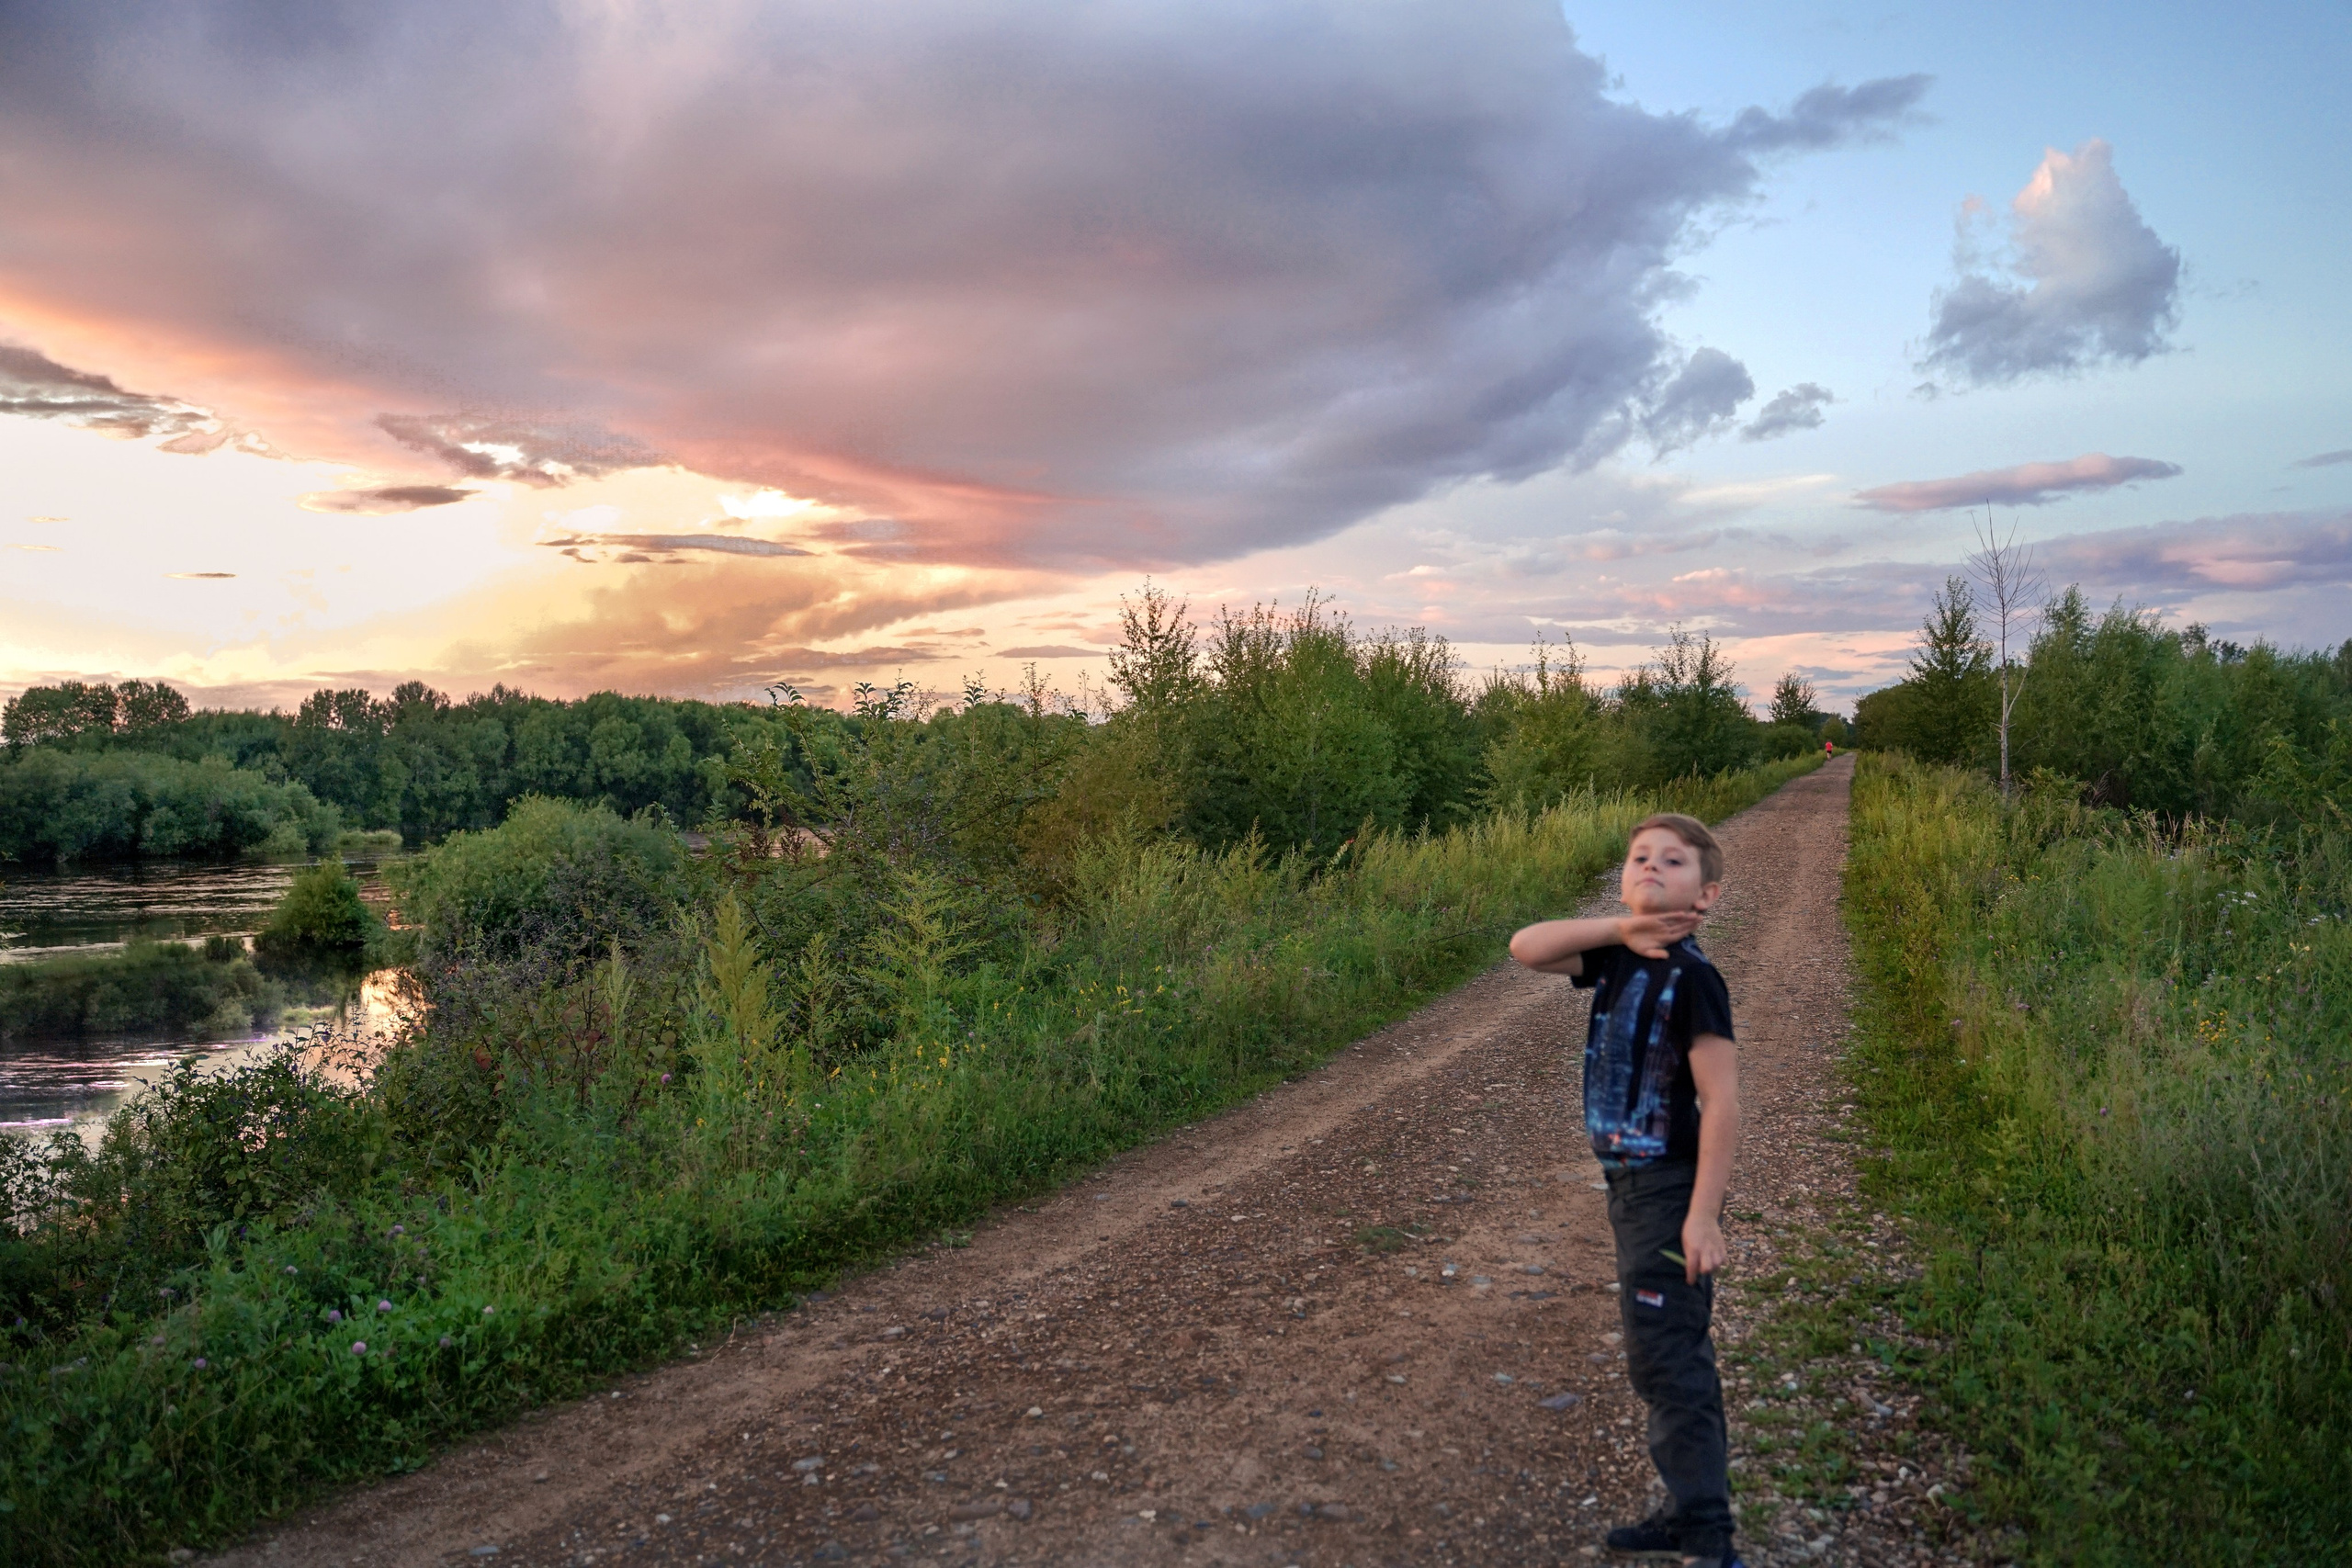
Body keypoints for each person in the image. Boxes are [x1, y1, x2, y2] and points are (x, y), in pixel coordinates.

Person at [1510, 814, 1743, 1568]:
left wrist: (1702, 1215)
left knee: (1670, 1358)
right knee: (1654, 1355)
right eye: (1638, 856)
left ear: (1703, 893)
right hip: (1630, 1189)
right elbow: (1525, 946)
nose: (1648, 866)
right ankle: (1686, 1510)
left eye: (1670, 860)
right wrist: (1616, 929)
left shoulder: (1695, 977)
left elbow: (1724, 1101)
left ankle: (1707, 1533)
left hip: (1668, 1193)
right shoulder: (1616, 957)